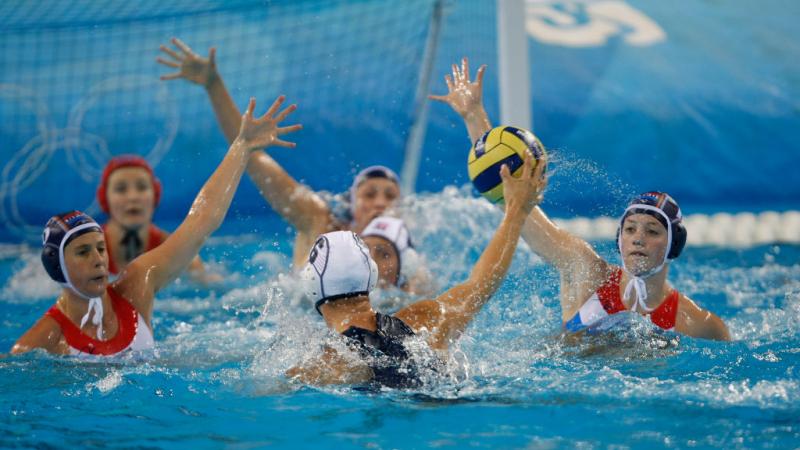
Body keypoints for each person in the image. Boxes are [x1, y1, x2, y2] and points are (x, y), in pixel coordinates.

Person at [430, 58, 730, 341]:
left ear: (674, 244)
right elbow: (518, 205)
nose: (638, 239)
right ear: (619, 239)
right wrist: (474, 117)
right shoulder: (585, 270)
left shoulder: (698, 324)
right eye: (630, 229)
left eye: (652, 231)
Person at [10, 96, 302, 357]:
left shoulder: (136, 285)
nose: (98, 259)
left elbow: (200, 224)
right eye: (83, 252)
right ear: (56, 265)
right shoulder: (40, 342)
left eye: (99, 249)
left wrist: (242, 147)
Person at [156, 38, 431, 294]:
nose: (380, 203)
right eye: (369, 194)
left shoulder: (406, 257)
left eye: (390, 196)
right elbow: (252, 158)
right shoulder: (319, 221)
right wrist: (213, 85)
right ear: (352, 203)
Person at [286, 153, 546, 387]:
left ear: (310, 285)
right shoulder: (423, 319)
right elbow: (480, 285)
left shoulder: (323, 366)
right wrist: (516, 212)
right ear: (372, 277)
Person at [96, 154, 219, 284]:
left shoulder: (176, 252)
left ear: (155, 195)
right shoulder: (87, 249)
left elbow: (206, 285)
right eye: (121, 189)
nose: (133, 197)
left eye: (142, 187)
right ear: (105, 198)